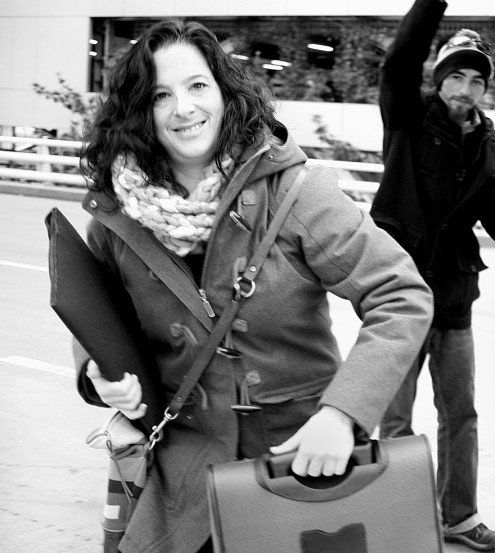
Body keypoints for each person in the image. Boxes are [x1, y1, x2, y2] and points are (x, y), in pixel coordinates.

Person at [76, 19, 433, 553]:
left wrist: (343, 415)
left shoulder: (295, 192)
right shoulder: (116, 215)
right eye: (160, 95)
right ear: (138, 112)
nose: (185, 108)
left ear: (224, 91)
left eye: (198, 86)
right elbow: (95, 317)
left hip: (299, 467)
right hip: (182, 475)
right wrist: (97, 374)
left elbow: (402, 296)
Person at [371, 0, 495, 550]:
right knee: (394, 417)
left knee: (459, 414)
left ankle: (459, 518)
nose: (464, 87)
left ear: (486, 88)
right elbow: (397, 62)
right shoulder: (408, 117)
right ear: (438, 79)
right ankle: (399, 518)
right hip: (397, 293)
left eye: (475, 79)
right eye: (455, 76)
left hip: (455, 297)